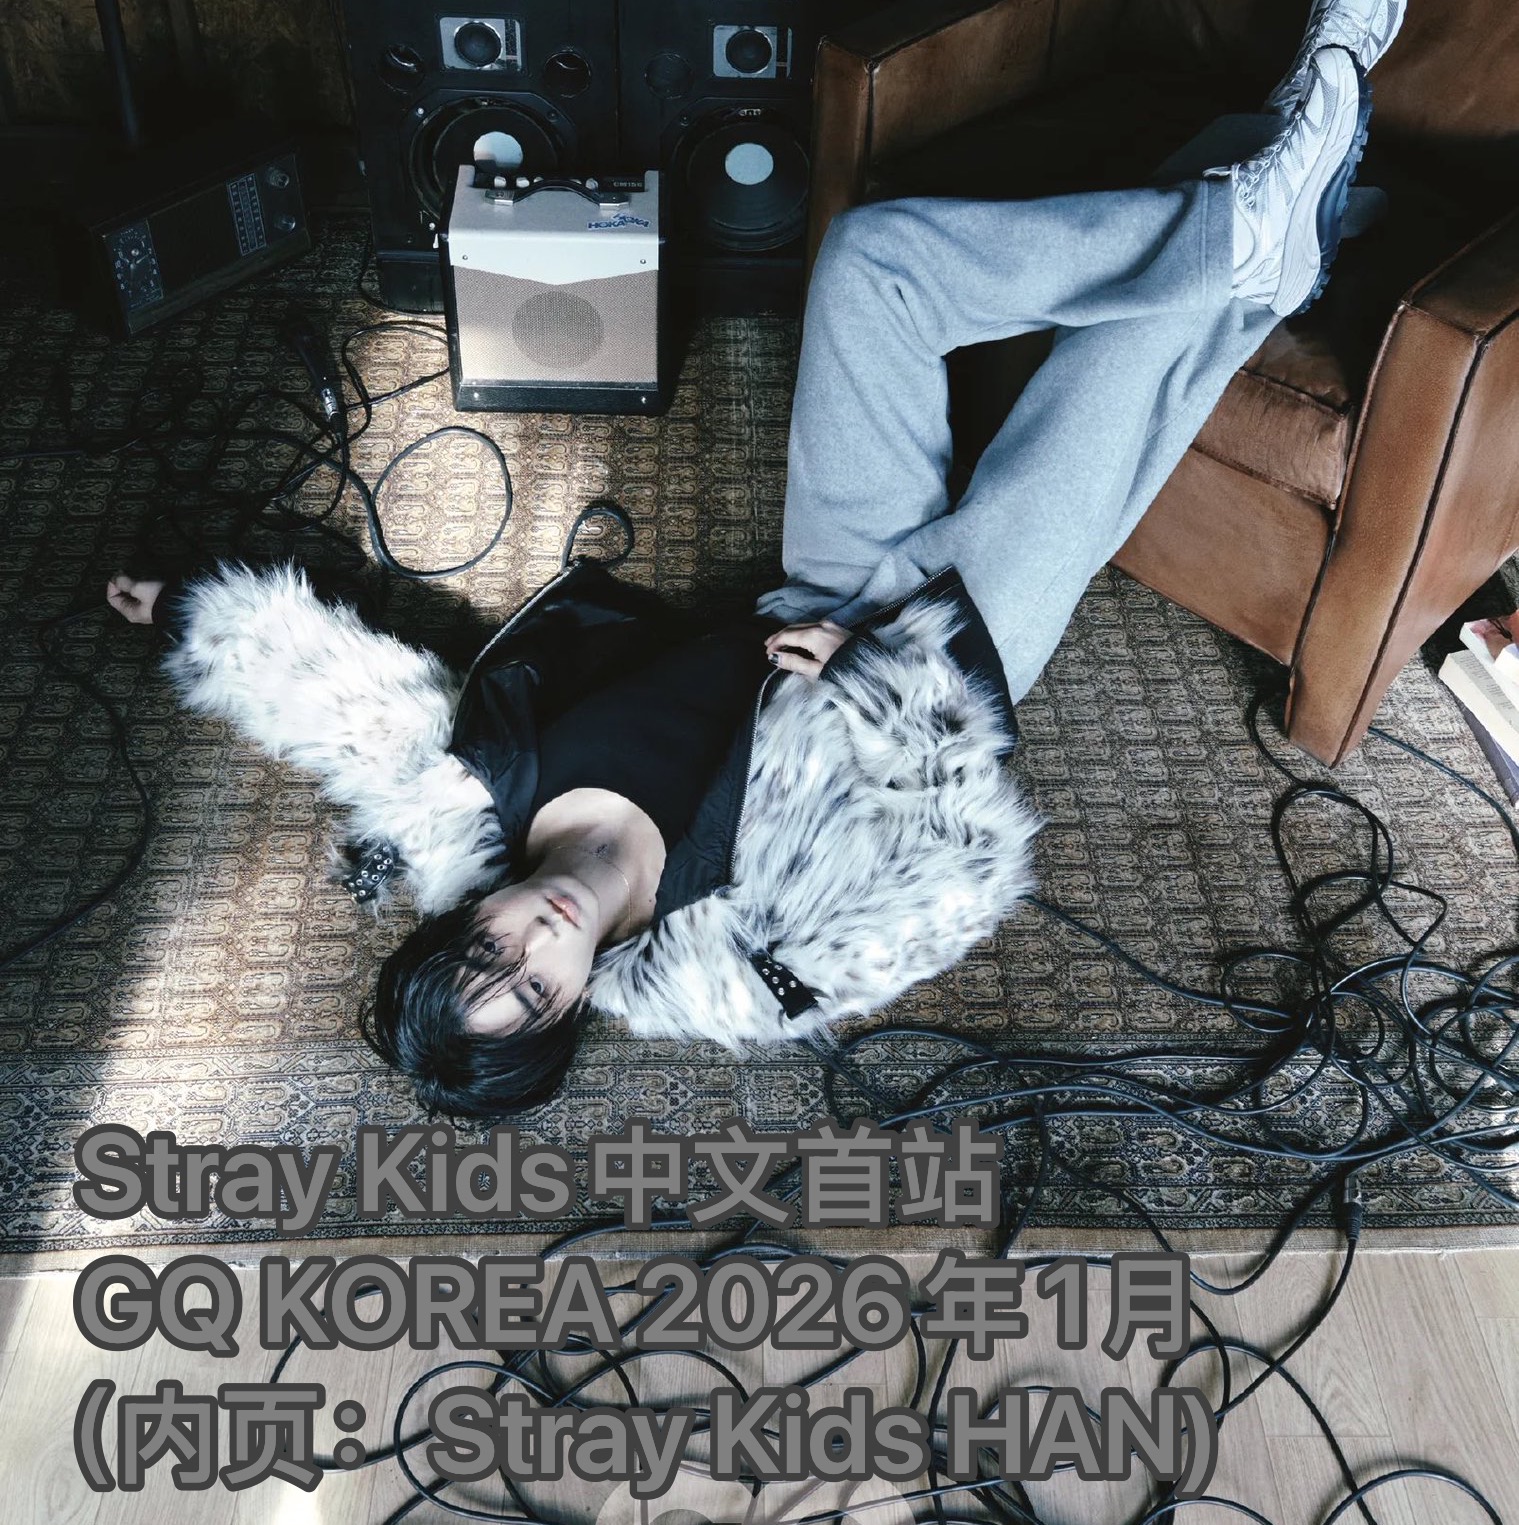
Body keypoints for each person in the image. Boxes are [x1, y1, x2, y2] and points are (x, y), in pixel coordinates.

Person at [105, 1, 1404, 1121]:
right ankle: (1298, 180)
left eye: (485, 953)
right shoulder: (743, 965)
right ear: (569, 1012)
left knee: (873, 264)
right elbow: (945, 883)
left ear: (460, 921)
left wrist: (195, 614)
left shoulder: (480, 793)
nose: (531, 948)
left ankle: (1264, 211)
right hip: (938, 675)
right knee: (1124, 366)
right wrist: (873, 692)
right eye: (534, 994)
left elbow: (344, 707)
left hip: (821, 588)